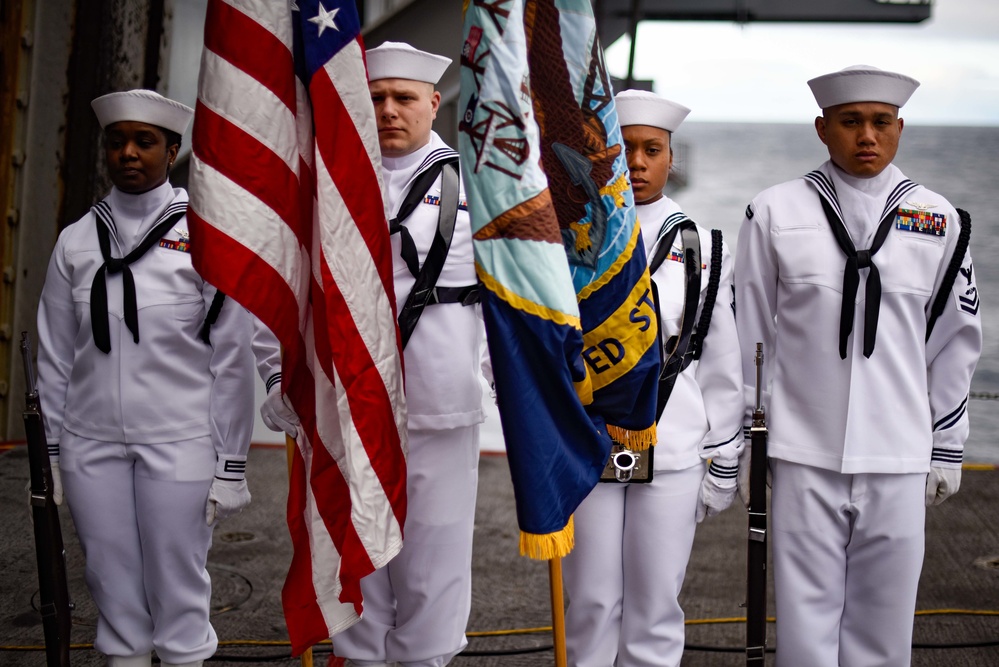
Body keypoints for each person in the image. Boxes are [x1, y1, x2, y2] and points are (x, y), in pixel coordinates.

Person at [734, 65, 982, 666]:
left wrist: (946, 443)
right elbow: (749, 339)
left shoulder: (939, 220)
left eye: (880, 122)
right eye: (850, 122)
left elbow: (956, 339)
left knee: (884, 629)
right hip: (802, 453)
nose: (866, 136)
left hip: (898, 453)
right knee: (804, 629)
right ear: (823, 128)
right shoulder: (773, 213)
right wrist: (744, 440)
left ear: (900, 127)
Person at [35, 89, 256, 667]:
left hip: (180, 441)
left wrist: (232, 464)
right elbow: (56, 357)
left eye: (145, 141)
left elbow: (232, 357)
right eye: (117, 142)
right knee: (110, 586)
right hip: (90, 443)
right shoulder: (76, 241)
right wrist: (52, 454)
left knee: (178, 588)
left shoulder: (207, 239)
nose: (128, 153)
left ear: (172, 149)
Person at [562, 90, 744, 667]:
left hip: (673, 443)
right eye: (622, 149)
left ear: (671, 158)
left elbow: (718, 358)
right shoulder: (570, 241)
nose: (635, 162)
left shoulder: (705, 249)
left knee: (656, 603)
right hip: (586, 439)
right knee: (589, 600)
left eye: (651, 150)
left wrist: (724, 453)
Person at [330, 42, 487, 667]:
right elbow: (296, 288)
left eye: (403, 98)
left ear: (433, 101)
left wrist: (522, 395)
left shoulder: (477, 186)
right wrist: (277, 375)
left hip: (441, 400)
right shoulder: (334, 179)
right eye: (376, 99)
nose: (389, 110)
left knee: (433, 567)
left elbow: (513, 305)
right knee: (360, 565)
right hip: (351, 400)